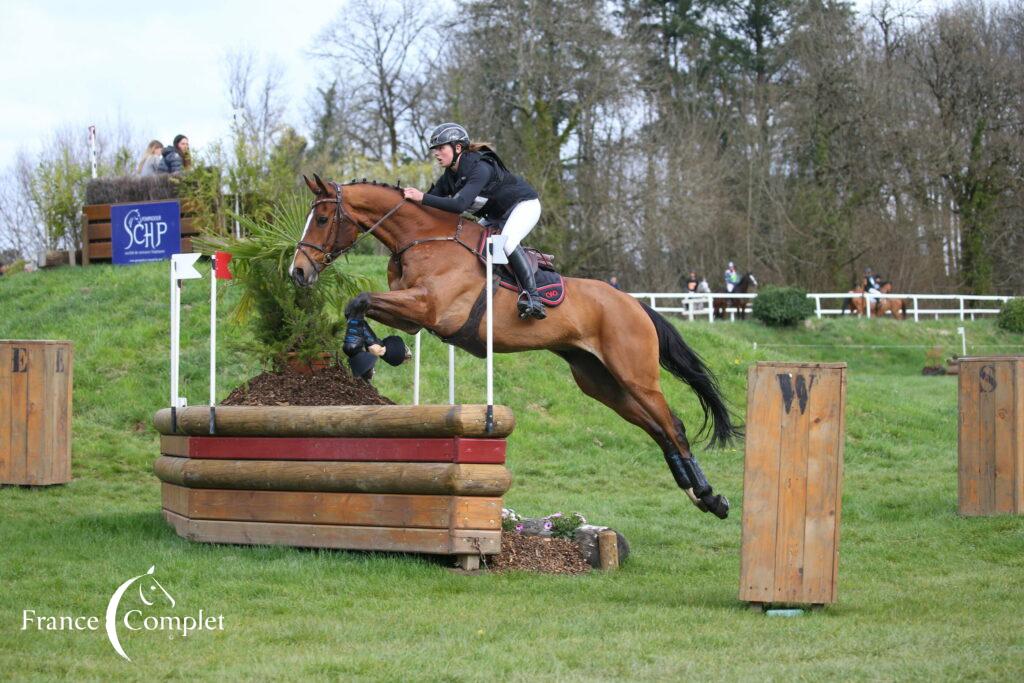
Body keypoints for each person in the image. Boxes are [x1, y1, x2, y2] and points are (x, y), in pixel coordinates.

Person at [402, 123, 546, 320]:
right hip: (496, 217)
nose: (436, 153)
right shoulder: (449, 177)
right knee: (471, 244)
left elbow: (459, 205)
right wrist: (402, 201)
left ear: (457, 148)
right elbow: (428, 206)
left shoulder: (481, 168)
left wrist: (421, 197)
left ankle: (533, 298)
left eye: (441, 148)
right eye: (435, 149)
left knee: (507, 242)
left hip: (524, 206)